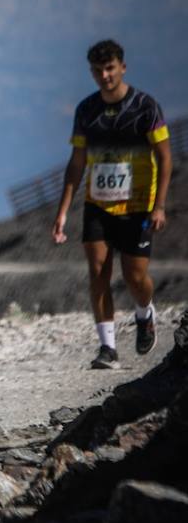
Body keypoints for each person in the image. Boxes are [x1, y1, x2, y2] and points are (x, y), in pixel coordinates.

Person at [51, 39, 172, 369]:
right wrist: (62, 211)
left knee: (135, 278)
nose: (104, 76)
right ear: (91, 72)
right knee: (97, 272)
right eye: (98, 70)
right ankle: (108, 349)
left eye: (110, 68)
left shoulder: (146, 107)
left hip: (137, 206)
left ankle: (144, 313)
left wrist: (159, 206)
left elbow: (164, 157)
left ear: (122, 68)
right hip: (98, 205)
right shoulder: (86, 111)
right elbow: (76, 163)